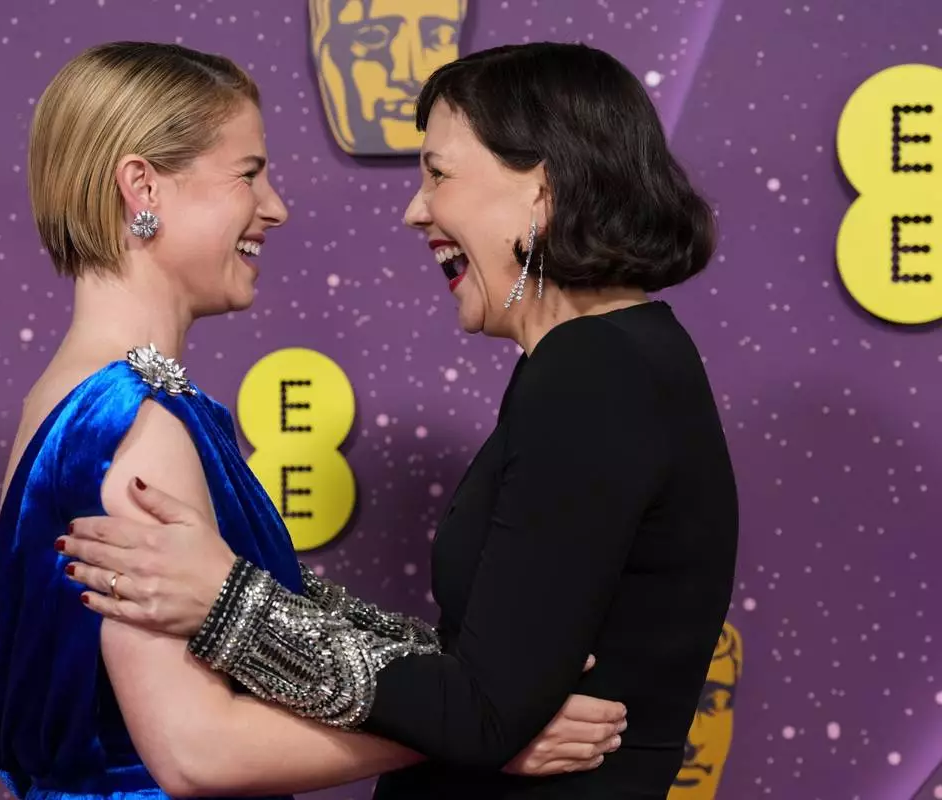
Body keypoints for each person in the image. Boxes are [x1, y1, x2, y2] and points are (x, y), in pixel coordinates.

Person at [58, 41, 739, 799]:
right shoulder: (613, 360)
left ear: (542, 189)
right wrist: (248, 593)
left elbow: (482, 712)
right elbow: (485, 670)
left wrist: (229, 604)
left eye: (439, 174)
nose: (415, 209)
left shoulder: (593, 372)